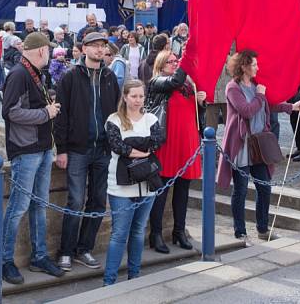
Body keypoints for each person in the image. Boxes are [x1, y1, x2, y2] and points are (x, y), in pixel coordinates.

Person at [219, 50, 300, 244]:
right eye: (254, 64)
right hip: (241, 145)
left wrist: (291, 107)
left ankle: (263, 229)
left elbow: (268, 105)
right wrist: (259, 96)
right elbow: (247, 111)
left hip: (259, 144)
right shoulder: (233, 87)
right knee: (240, 189)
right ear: (244, 66)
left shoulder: (258, 86)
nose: (258, 67)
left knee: (264, 187)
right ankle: (240, 232)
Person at [54, 32, 120, 272]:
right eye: (94, 46)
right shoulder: (70, 77)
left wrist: (114, 144)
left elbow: (114, 114)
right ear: (84, 49)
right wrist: (61, 149)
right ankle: (66, 251)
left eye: (102, 46)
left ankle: (85, 248)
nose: (99, 50)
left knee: (98, 202)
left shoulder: (110, 77)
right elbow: (61, 116)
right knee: (75, 200)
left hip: (103, 150)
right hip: (78, 150)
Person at [1, 32, 64, 285]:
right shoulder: (19, 74)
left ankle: (39, 256)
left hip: (40, 148)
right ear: (41, 51)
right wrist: (45, 113)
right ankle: (5, 260)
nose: (49, 54)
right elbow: (10, 112)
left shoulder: (33, 72)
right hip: (26, 151)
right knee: (18, 208)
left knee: (40, 205)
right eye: (48, 50)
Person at [102, 79, 163, 286]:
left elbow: (158, 141)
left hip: (146, 185)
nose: (138, 100)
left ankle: (134, 277)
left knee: (138, 232)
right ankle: (109, 281)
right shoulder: (114, 120)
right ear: (125, 97)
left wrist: (132, 148)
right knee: (119, 234)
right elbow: (117, 145)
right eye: (134, 96)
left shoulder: (151, 118)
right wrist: (141, 149)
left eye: (141, 96)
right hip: (121, 187)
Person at [146, 51, 205, 254]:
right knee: (161, 192)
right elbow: (174, 81)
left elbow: (198, 116)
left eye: (176, 61)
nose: (174, 64)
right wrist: (188, 57)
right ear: (161, 65)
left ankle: (179, 231)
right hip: (168, 144)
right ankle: (156, 234)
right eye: (170, 62)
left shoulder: (188, 85)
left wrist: (201, 102)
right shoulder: (157, 82)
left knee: (183, 191)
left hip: (186, 143)